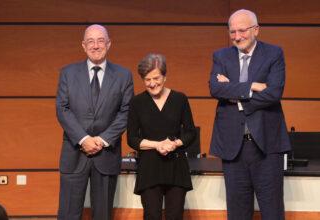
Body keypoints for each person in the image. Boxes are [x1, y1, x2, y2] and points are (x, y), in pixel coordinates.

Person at [209, 9, 291, 220]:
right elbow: (216, 89)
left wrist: (235, 95)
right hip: (233, 148)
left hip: (266, 146)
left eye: (242, 31)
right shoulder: (221, 56)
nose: (237, 37)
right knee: (237, 213)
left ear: (256, 30)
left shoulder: (274, 53)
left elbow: (273, 93)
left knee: (272, 211)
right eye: (232, 32)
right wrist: (251, 87)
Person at [56, 24, 134, 220]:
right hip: (74, 153)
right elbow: (62, 109)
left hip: (106, 154)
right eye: (90, 41)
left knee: (103, 215)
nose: (95, 45)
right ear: (83, 45)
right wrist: (83, 139)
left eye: (100, 40)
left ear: (109, 44)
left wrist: (102, 139)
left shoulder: (124, 75)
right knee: (68, 214)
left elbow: (126, 111)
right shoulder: (68, 73)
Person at [127, 53, 196, 220]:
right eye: (147, 79)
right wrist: (156, 145)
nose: (152, 84)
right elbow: (132, 139)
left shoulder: (180, 99)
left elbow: (190, 132)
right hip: (149, 169)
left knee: (175, 216)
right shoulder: (137, 102)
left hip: (176, 167)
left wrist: (175, 143)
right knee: (151, 215)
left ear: (165, 77)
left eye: (156, 78)